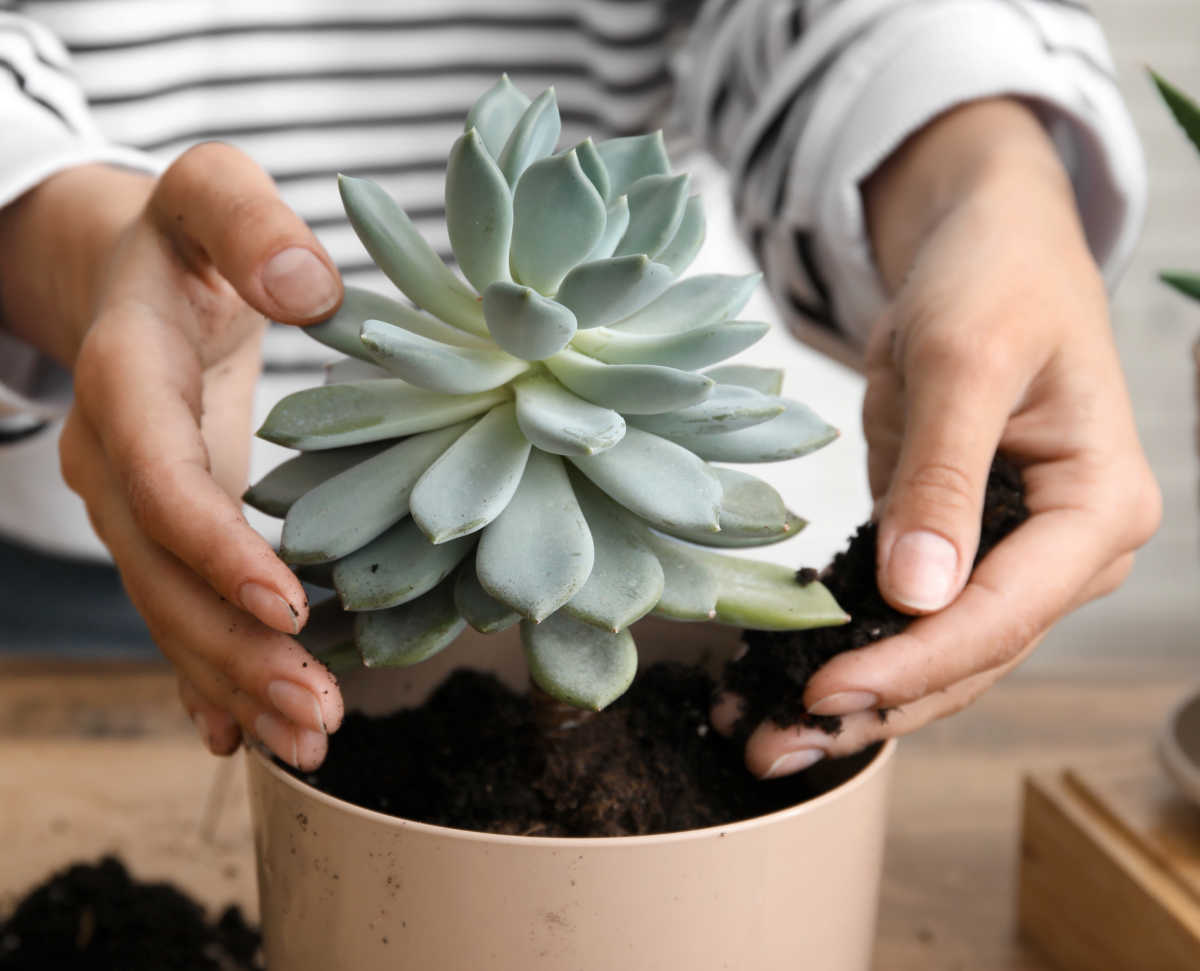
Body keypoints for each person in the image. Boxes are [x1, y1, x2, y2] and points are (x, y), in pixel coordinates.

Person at [0, 0, 1161, 777]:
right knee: (291, 703)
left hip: (605, 530)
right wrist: (52, 230)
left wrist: (981, 171)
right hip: (92, 527)